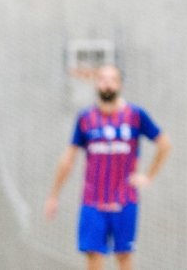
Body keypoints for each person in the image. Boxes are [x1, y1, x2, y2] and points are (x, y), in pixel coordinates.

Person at [44, 64, 171, 270]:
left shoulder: (135, 115)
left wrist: (148, 176)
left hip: (125, 200)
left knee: (124, 256)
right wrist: (54, 195)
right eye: (103, 79)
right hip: (93, 201)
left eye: (112, 79)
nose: (107, 84)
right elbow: (68, 158)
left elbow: (164, 144)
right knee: (94, 257)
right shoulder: (86, 118)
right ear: (96, 83)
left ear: (120, 84)